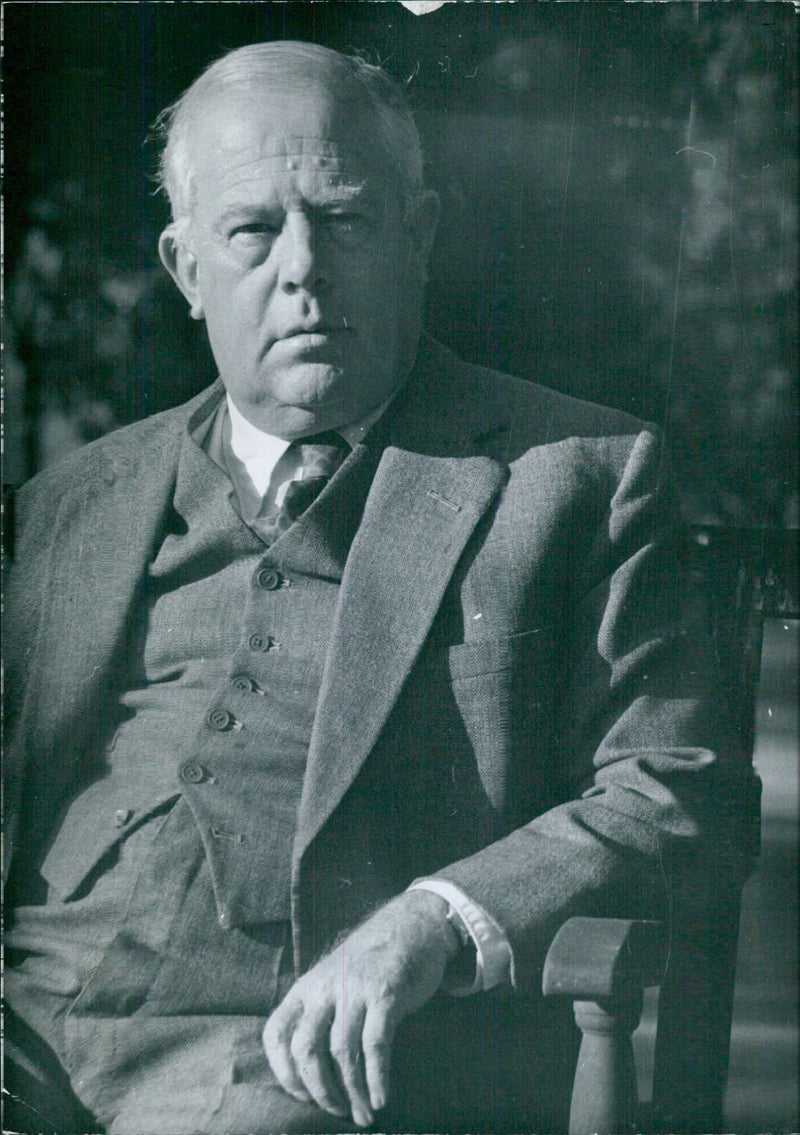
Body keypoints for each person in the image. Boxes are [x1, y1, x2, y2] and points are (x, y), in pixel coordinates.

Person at [3, 40, 743, 1135]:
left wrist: (435, 919)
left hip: (296, 1045)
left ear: (419, 233)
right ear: (184, 265)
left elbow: (677, 792)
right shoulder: (74, 499)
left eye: (344, 217)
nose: (303, 267)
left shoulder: (576, 474)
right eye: (251, 230)